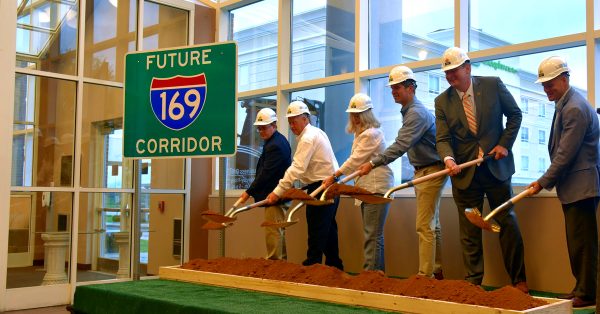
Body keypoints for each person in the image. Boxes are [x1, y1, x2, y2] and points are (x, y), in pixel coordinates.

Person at [434, 46, 528, 292]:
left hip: (497, 168)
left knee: (507, 223)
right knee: (469, 230)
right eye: (447, 73)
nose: (450, 77)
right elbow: (442, 139)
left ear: (468, 68)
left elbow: (515, 115)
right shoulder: (442, 101)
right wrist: (448, 160)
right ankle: (473, 284)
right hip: (465, 174)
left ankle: (519, 282)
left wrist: (504, 144)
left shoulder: (493, 84)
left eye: (454, 71)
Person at [358, 66, 448, 279]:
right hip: (425, 170)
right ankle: (436, 271)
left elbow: (401, 145)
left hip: (430, 170)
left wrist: (372, 163)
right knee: (432, 224)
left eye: (397, 87)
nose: (393, 92)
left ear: (411, 88)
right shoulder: (410, 111)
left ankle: (425, 277)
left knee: (424, 225)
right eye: (392, 88)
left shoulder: (416, 113)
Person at [527, 56, 599, 308]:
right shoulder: (565, 103)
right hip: (575, 187)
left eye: (550, 84)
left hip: (582, 186)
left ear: (565, 79)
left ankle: (587, 293)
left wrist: (540, 182)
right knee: (577, 242)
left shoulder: (575, 108)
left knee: (583, 243)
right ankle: (581, 288)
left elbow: (565, 154)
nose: (546, 89)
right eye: (544, 85)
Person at [266, 100, 344, 270]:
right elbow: (312, 167)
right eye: (290, 122)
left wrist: (277, 192)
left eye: (294, 121)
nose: (292, 125)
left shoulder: (308, 138)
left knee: (317, 229)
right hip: (325, 185)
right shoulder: (317, 133)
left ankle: (312, 266)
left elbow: (297, 168)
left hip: (323, 187)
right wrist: (303, 188)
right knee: (328, 229)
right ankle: (335, 267)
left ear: (305, 119)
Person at [323, 93, 394, 272]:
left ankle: (370, 274)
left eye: (358, 115)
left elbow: (355, 160)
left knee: (372, 234)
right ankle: (376, 273)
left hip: (375, 188)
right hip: (366, 188)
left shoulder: (372, 134)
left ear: (366, 114)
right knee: (373, 234)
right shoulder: (361, 134)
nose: (354, 118)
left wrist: (335, 175)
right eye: (352, 115)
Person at [240, 108, 292, 260]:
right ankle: (280, 264)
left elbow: (266, 173)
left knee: (273, 230)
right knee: (277, 229)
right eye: (259, 128)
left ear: (274, 125)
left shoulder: (275, 145)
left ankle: (275, 263)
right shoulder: (274, 141)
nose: (261, 131)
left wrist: (249, 192)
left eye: (264, 127)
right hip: (276, 194)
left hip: (276, 195)